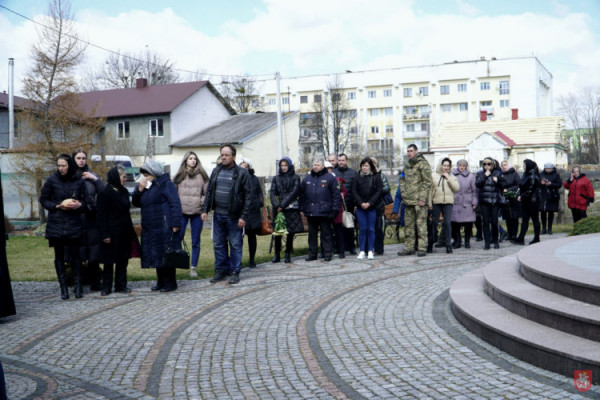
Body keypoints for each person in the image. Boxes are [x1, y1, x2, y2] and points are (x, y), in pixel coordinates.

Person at [201, 144, 252, 284]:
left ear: (233, 157)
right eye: (222, 154)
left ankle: (235, 271)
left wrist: (243, 216)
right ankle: (221, 270)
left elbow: (248, 197)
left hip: (234, 216)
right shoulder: (216, 170)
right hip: (218, 214)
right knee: (218, 244)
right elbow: (210, 191)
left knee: (235, 244)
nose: (223, 157)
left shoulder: (242, 173)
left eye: (226, 155)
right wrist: (205, 210)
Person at [40, 154, 85, 299]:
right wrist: (55, 206)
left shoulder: (78, 180)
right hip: (57, 223)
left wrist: (79, 205)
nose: (60, 168)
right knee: (59, 256)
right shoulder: (52, 179)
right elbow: (43, 199)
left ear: (69, 165)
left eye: (63, 165)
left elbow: (85, 200)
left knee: (76, 256)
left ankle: (78, 287)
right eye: (58, 166)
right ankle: (63, 288)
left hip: (74, 223)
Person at [132, 160, 182, 292]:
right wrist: (139, 190)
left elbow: (175, 203)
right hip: (151, 226)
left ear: (154, 173)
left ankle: (170, 283)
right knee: (156, 255)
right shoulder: (148, 186)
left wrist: (176, 223)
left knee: (167, 255)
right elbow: (137, 202)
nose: (145, 177)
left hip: (164, 226)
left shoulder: (166, 184)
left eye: (147, 174)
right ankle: (161, 281)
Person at [97, 166, 137, 296]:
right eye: (123, 176)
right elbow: (101, 216)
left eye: (125, 177)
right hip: (111, 232)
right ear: (116, 177)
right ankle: (106, 286)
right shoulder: (105, 193)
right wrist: (105, 234)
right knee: (109, 261)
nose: (125, 179)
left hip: (124, 231)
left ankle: (121, 285)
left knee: (123, 260)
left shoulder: (124, 191)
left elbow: (127, 212)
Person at [72, 149, 105, 291]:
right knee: (77, 254)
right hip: (75, 218)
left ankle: (95, 282)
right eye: (78, 158)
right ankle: (77, 284)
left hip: (91, 218)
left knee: (94, 253)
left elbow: (103, 192)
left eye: (83, 158)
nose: (81, 160)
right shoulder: (70, 176)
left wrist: (94, 179)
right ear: (74, 159)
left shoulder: (91, 175)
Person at [173, 151, 208, 278]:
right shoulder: (179, 175)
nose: (193, 161)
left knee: (195, 240)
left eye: (194, 158)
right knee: (178, 237)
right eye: (190, 158)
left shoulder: (202, 175)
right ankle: (175, 263)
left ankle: (193, 267)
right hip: (181, 212)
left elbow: (206, 193)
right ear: (185, 160)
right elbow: (173, 193)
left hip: (197, 212)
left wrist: (202, 205)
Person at [300, 158, 340, 262]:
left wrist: (334, 210)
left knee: (326, 234)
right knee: (312, 235)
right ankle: (312, 254)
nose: (315, 166)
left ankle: (327, 253)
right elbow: (302, 195)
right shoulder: (307, 179)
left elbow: (336, 196)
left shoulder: (330, 178)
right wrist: (303, 208)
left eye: (318, 165)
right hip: (311, 211)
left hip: (324, 211)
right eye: (314, 164)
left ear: (323, 166)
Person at [398, 144, 433, 257]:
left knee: (421, 225)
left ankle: (422, 247)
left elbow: (427, 182)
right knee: (408, 225)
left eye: (411, 151)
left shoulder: (423, 163)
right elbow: (402, 179)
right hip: (408, 200)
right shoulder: (406, 165)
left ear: (416, 151)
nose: (409, 153)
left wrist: (423, 198)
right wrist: (403, 193)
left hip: (419, 201)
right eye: (407, 151)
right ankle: (409, 247)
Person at [270, 157, 303, 263]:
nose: (283, 167)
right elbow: (272, 193)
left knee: (289, 232)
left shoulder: (295, 177)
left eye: (285, 165)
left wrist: (282, 205)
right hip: (279, 209)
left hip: (290, 208)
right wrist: (276, 205)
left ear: (289, 166)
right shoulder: (276, 178)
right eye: (282, 165)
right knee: (278, 232)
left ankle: (288, 253)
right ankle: (277, 254)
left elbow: (294, 192)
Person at [352, 157, 383, 259]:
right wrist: (361, 203)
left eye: (366, 166)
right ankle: (362, 250)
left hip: (372, 207)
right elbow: (354, 191)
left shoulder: (376, 177)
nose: (364, 168)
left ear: (370, 167)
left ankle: (370, 250)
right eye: (363, 166)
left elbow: (379, 191)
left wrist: (370, 203)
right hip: (361, 207)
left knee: (371, 229)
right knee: (362, 229)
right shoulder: (357, 177)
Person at [429, 158, 460, 253]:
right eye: (444, 165)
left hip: (448, 202)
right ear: (441, 165)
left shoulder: (452, 177)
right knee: (434, 222)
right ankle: (430, 243)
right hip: (436, 201)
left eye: (448, 166)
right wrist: (429, 203)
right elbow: (429, 190)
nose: (446, 167)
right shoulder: (433, 175)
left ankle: (448, 244)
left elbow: (456, 188)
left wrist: (448, 178)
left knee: (447, 222)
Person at [475, 157, 504, 250]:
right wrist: (485, 175)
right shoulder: (480, 173)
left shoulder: (498, 173)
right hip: (484, 201)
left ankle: (496, 241)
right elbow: (477, 184)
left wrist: (498, 181)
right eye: (484, 164)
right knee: (485, 222)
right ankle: (487, 243)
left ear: (493, 165)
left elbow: (504, 185)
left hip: (494, 201)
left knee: (494, 222)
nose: (486, 166)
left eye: (489, 164)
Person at [240, 160, 263, 268]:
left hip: (253, 211)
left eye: (247, 165)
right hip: (240, 211)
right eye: (243, 165)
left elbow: (259, 192)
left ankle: (252, 260)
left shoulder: (254, 179)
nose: (245, 167)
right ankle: (237, 261)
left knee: (252, 237)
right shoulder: (237, 177)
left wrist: (259, 202)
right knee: (239, 238)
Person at [334, 154, 358, 255]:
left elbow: (356, 189)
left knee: (350, 226)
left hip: (350, 204)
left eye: (343, 160)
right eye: (339, 160)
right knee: (339, 228)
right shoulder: (334, 173)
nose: (341, 162)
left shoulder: (353, 173)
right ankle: (340, 248)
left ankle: (351, 247)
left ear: (346, 161)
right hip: (338, 205)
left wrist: (356, 203)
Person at [451, 160, 477, 249]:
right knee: (455, 223)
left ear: (466, 166)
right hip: (456, 202)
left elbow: (475, 191)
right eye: (460, 165)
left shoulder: (471, 176)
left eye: (463, 166)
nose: (462, 167)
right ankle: (458, 241)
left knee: (468, 224)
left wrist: (474, 202)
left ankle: (467, 241)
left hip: (467, 202)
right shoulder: (452, 175)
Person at [515, 159, 541, 245]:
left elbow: (531, 189)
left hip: (533, 201)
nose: (523, 166)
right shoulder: (526, 174)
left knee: (535, 220)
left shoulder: (533, 176)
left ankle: (536, 237)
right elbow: (522, 186)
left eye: (524, 165)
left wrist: (522, 196)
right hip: (526, 201)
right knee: (525, 220)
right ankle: (521, 237)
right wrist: (519, 194)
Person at [371, 157, 391, 255]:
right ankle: (369, 248)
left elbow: (387, 188)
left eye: (373, 163)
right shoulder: (363, 175)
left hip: (378, 204)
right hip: (368, 205)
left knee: (378, 228)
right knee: (369, 228)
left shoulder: (381, 175)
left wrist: (377, 192)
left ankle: (379, 248)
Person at [500, 160, 521, 242]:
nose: (503, 166)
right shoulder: (501, 175)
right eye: (502, 165)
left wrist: (508, 190)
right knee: (507, 218)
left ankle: (514, 235)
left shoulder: (514, 174)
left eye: (505, 165)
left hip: (513, 198)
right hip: (505, 199)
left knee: (514, 218)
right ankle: (509, 234)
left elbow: (519, 184)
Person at [539, 162, 562, 235]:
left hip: (552, 196)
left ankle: (549, 228)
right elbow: (536, 184)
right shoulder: (541, 175)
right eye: (546, 168)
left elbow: (559, 184)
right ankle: (543, 228)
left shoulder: (556, 175)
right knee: (543, 212)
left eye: (549, 168)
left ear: (552, 169)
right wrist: (541, 184)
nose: (547, 170)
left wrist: (551, 184)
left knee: (551, 212)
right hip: (543, 195)